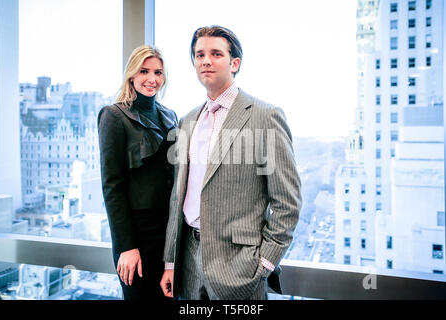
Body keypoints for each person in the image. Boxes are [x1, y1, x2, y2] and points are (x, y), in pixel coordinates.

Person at [160, 26, 302, 300]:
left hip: (239, 269)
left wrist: (264, 264)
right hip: (188, 263)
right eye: (199, 54)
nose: (206, 61)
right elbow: (178, 199)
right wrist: (170, 262)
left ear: (235, 63)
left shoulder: (265, 116)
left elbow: (288, 202)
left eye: (216, 53)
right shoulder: (188, 121)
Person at [98, 45, 178, 300]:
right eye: (144, 71)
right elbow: (112, 186)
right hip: (138, 236)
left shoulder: (170, 116)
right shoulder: (113, 115)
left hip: (170, 231)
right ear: (132, 74)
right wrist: (126, 246)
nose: (152, 79)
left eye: (158, 72)